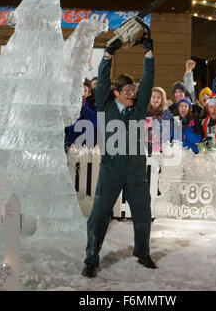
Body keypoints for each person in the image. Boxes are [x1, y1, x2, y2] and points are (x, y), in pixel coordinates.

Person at [82, 34, 156, 278]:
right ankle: (91, 258)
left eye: (133, 89)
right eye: (127, 90)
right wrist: (107, 55)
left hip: (135, 168)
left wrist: (148, 55)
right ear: (116, 92)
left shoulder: (138, 106)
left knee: (143, 212)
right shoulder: (105, 104)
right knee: (99, 214)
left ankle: (142, 252)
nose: (133, 93)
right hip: (111, 169)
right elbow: (102, 81)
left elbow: (147, 83)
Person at [145, 87, 173, 153]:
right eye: (153, 97)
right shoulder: (145, 112)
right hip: (145, 146)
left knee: (156, 161)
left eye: (158, 97)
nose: (155, 99)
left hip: (160, 146)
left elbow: (169, 132)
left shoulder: (167, 114)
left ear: (162, 100)